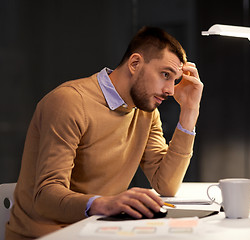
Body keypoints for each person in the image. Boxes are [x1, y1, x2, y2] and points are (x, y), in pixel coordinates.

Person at [6, 26, 203, 240]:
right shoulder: (69, 102)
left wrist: (190, 111)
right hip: (44, 235)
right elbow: (46, 196)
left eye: (174, 80)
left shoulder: (145, 113)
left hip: (98, 231)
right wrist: (104, 203)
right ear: (135, 64)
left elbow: (166, 185)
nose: (170, 90)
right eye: (165, 75)